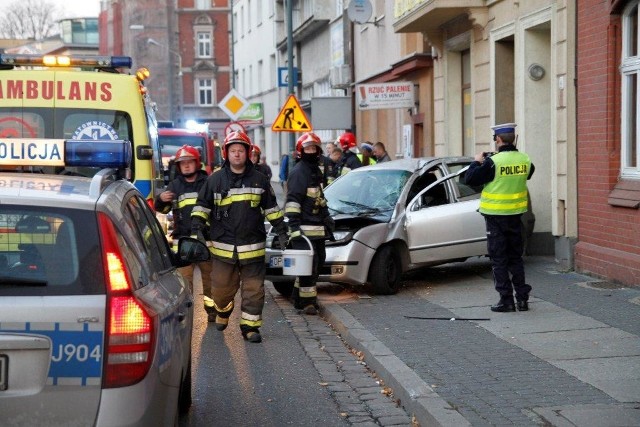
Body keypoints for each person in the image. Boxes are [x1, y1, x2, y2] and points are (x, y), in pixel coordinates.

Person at [191, 131, 289, 343]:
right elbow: (201, 207)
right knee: (220, 292)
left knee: (254, 290)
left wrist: (282, 230)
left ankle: (250, 327)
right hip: (223, 249)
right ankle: (223, 311)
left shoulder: (260, 180)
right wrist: (197, 227)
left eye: (241, 151)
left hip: (253, 247)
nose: (237, 154)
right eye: (233, 151)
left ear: (248, 153)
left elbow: (271, 209)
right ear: (226, 154)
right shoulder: (215, 180)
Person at [464, 123, 535, 312]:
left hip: (495, 218)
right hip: (515, 216)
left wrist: (476, 162)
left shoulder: (493, 162)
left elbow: (470, 179)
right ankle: (522, 299)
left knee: (499, 259)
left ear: (498, 139)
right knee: (515, 258)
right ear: (514, 138)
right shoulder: (525, 159)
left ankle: (506, 300)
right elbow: (528, 173)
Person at [285, 132, 334, 315]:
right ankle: (308, 303)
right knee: (308, 268)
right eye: (307, 149)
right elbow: (293, 201)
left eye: (314, 148)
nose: (311, 151)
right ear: (301, 151)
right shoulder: (299, 172)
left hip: (317, 228)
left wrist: (327, 217)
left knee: (315, 264)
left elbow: (318, 198)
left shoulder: (314, 170)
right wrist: (294, 227)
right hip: (304, 229)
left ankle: (298, 297)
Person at [155, 145, 212, 297]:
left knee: (211, 281)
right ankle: (187, 316)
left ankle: (213, 315)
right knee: (184, 282)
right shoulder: (175, 185)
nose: (186, 165)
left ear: (197, 163)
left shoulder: (208, 182)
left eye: (189, 162)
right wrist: (160, 200)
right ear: (178, 166)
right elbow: (164, 210)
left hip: (206, 239)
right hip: (183, 240)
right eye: (182, 163)